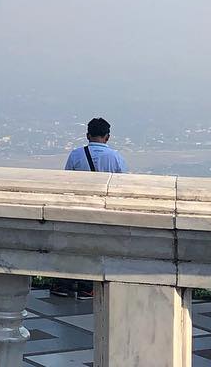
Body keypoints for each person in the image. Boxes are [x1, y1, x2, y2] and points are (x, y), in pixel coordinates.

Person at [53, 117, 127, 299]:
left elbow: (66, 182)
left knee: (71, 247)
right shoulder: (116, 157)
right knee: (94, 249)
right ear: (107, 136)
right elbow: (124, 185)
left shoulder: (76, 155)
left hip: (78, 208)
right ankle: (87, 287)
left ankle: (64, 284)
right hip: (103, 210)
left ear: (88, 135)